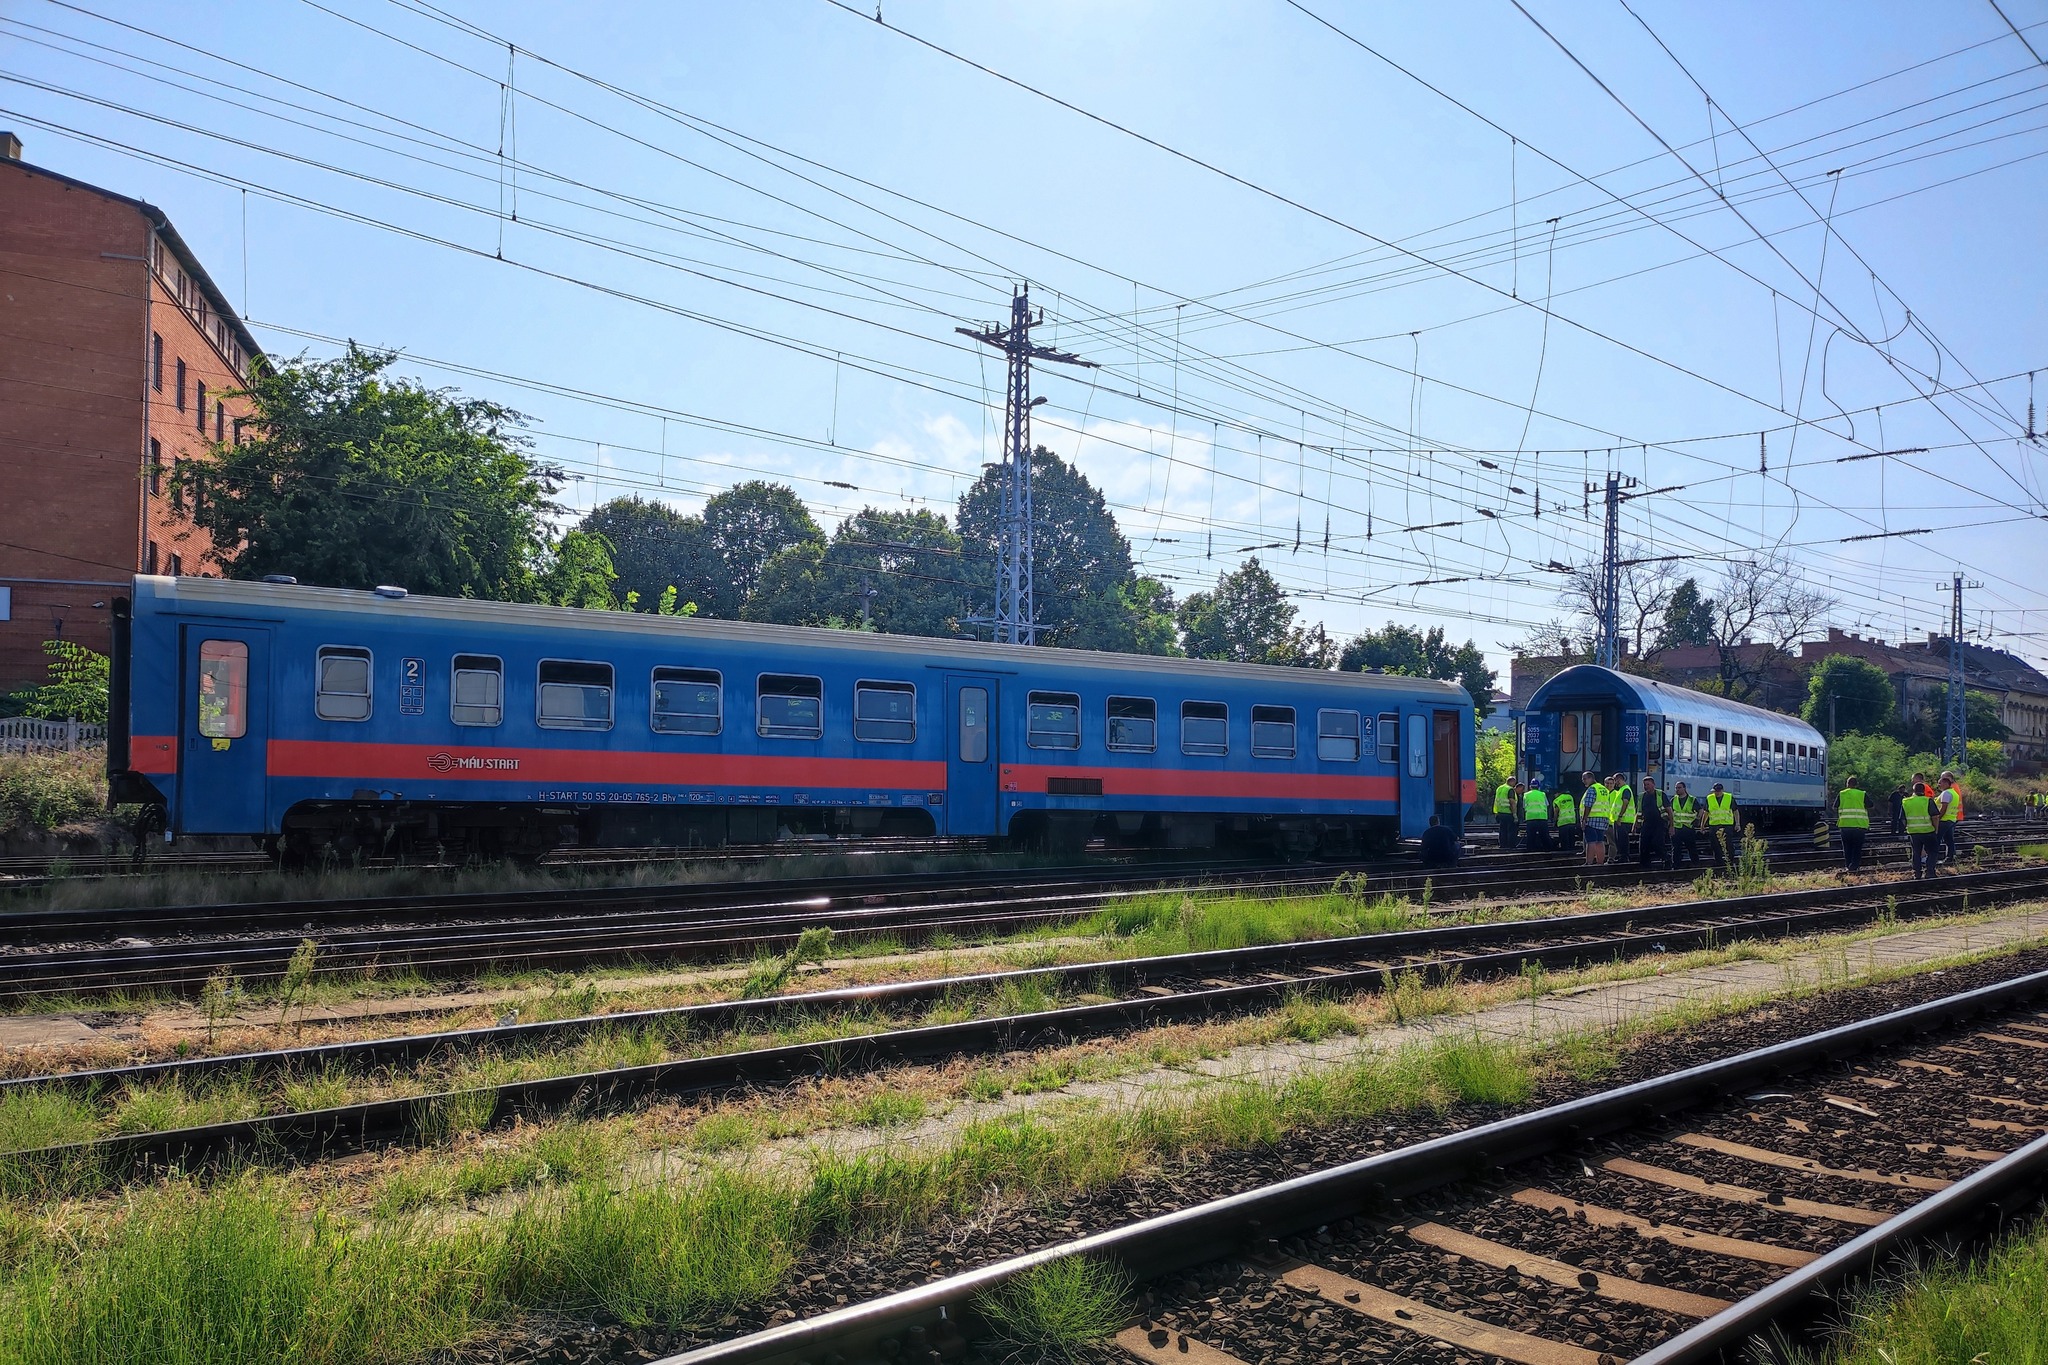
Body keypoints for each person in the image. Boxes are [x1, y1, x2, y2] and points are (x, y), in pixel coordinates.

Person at [1902, 781, 1938, 880]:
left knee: (1916, 853)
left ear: (1913, 790)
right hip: (1928, 830)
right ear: (1924, 790)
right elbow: (1935, 816)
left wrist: (1908, 827)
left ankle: (1917, 873)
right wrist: (1936, 829)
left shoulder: (1906, 801)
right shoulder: (1928, 801)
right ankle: (1930, 871)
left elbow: (1903, 819)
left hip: (1913, 832)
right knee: (1932, 851)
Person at [1835, 773, 1870, 873]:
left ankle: (1848, 865)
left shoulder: (1842, 794)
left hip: (1845, 825)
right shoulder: (1862, 794)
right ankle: (1854, 866)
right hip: (1859, 826)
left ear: (1847, 784)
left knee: (1847, 847)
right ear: (1856, 784)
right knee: (1857, 848)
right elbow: (1870, 804)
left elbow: (1835, 806)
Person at [1637, 777, 1671, 869]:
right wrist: (1635, 824)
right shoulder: (1641, 796)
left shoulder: (1660, 794)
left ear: (1653, 784)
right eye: (1644, 785)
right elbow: (1639, 811)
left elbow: (1669, 810)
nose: (1646, 787)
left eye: (1648, 784)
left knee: (1657, 843)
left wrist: (1671, 824)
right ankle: (1645, 865)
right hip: (1647, 823)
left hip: (1659, 823)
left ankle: (1666, 860)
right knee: (1643, 845)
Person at [1706, 781, 1738, 867]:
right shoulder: (1710, 798)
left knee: (1728, 844)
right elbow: (1706, 812)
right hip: (1714, 825)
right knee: (1715, 845)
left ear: (1722, 790)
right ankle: (1719, 862)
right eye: (1715, 791)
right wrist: (1702, 825)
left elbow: (1735, 811)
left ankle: (1730, 861)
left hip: (1727, 825)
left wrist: (1737, 823)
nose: (1717, 792)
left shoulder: (1729, 797)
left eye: (1718, 791)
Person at [1582, 772, 1611, 866]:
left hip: (1592, 819)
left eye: (1585, 779)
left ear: (1590, 778)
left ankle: (1589, 862)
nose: (1583, 781)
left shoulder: (1592, 789)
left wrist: (1584, 819)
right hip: (1603, 818)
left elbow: (1588, 805)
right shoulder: (1603, 789)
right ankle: (1600, 863)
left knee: (1590, 841)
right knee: (1600, 841)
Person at [1936, 771, 1963, 865]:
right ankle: (1950, 858)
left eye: (1941, 783)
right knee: (1949, 840)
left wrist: (1938, 818)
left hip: (1944, 820)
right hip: (1951, 819)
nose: (1939, 785)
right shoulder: (1954, 793)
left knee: (1936, 839)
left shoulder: (1946, 793)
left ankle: (1933, 859)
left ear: (1947, 783)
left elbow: (1943, 808)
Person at [1670, 781, 1701, 865]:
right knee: (1676, 849)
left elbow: (1700, 810)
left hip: (1688, 827)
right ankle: (1676, 866)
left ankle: (1696, 865)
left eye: (1679, 788)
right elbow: (1670, 812)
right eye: (1676, 788)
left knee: (1692, 848)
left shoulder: (1692, 799)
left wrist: (1697, 819)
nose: (1677, 790)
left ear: (1684, 788)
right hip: (1677, 828)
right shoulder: (1673, 799)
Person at [1610, 773, 1637, 863]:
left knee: (1622, 840)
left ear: (1619, 779)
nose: (1615, 782)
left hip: (1623, 820)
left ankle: (1624, 857)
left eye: (1615, 780)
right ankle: (1623, 857)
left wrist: (1620, 817)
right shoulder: (1621, 790)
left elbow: (1625, 803)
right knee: (1619, 840)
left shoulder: (1625, 790)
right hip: (1620, 820)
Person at [1521, 783, 1552, 852]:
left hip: (1531, 817)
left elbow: (1524, 806)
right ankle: (1547, 849)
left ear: (1530, 787)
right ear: (1538, 787)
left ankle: (1530, 850)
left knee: (1531, 836)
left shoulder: (1526, 795)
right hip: (1542, 817)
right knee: (1544, 835)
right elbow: (1547, 805)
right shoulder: (1542, 794)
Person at [1552, 785, 1579, 852]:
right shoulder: (1570, 797)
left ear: (1558, 793)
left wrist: (1554, 822)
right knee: (1571, 838)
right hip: (1572, 820)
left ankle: (1565, 852)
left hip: (1563, 822)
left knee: (1564, 839)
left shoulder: (1557, 800)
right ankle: (1572, 851)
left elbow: (1556, 812)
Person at [1493, 777, 1517, 851]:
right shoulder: (1510, 789)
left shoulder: (1499, 788)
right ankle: (1511, 846)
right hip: (1508, 813)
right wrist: (1514, 814)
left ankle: (1502, 845)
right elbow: (1512, 802)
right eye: (1514, 783)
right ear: (1512, 782)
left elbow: (1496, 801)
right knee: (1511, 830)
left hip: (1500, 812)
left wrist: (1496, 812)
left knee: (1502, 830)